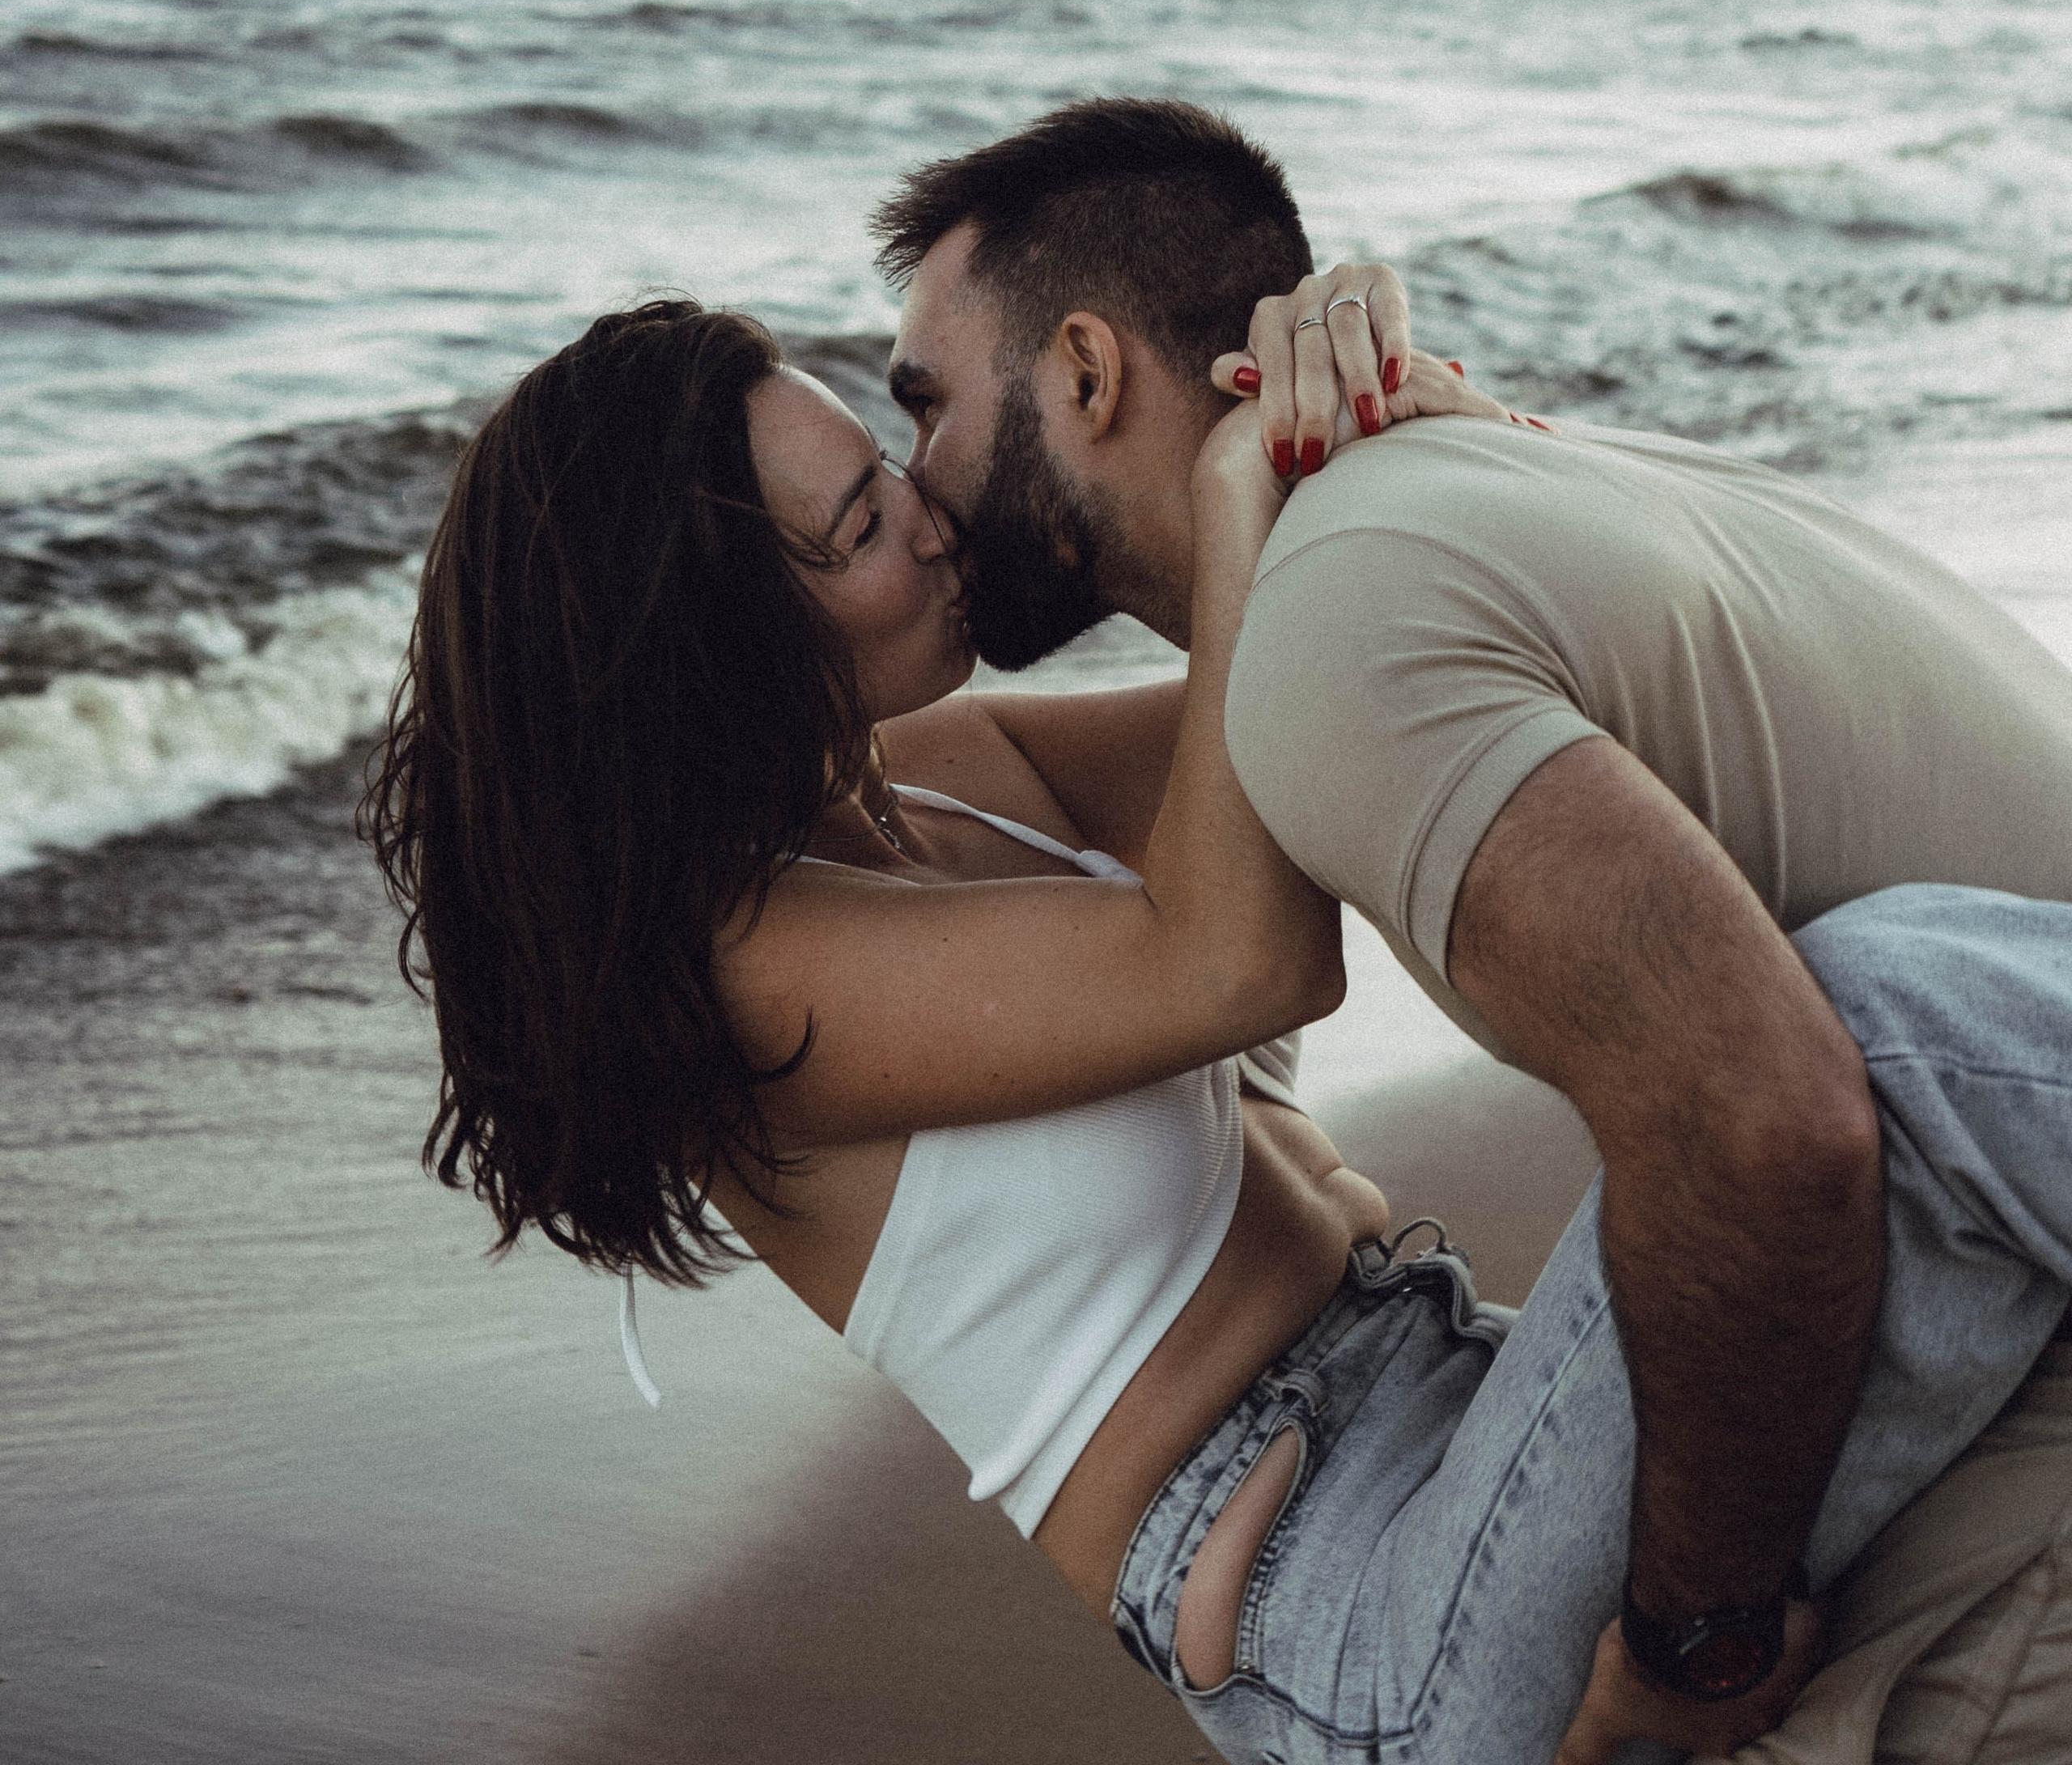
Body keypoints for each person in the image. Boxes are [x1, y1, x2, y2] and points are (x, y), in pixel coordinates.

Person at [368, 265, 2072, 1760]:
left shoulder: (940, 780)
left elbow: (1362, 683)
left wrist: (1395, 427)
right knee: (1881, 1026)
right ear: (716, 641)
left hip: (1464, 1411)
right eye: (856, 529)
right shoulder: (741, 974)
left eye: (885, 469)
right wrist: (1244, 473)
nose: (924, 514)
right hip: (1373, 1636)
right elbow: (1243, 958)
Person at [870, 95, 2072, 1758]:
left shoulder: (1339, 631)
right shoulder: (1496, 478)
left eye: (917, 406)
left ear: (1081, 372)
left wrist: (1689, 1651)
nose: (910, 488)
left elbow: (1760, 1123)